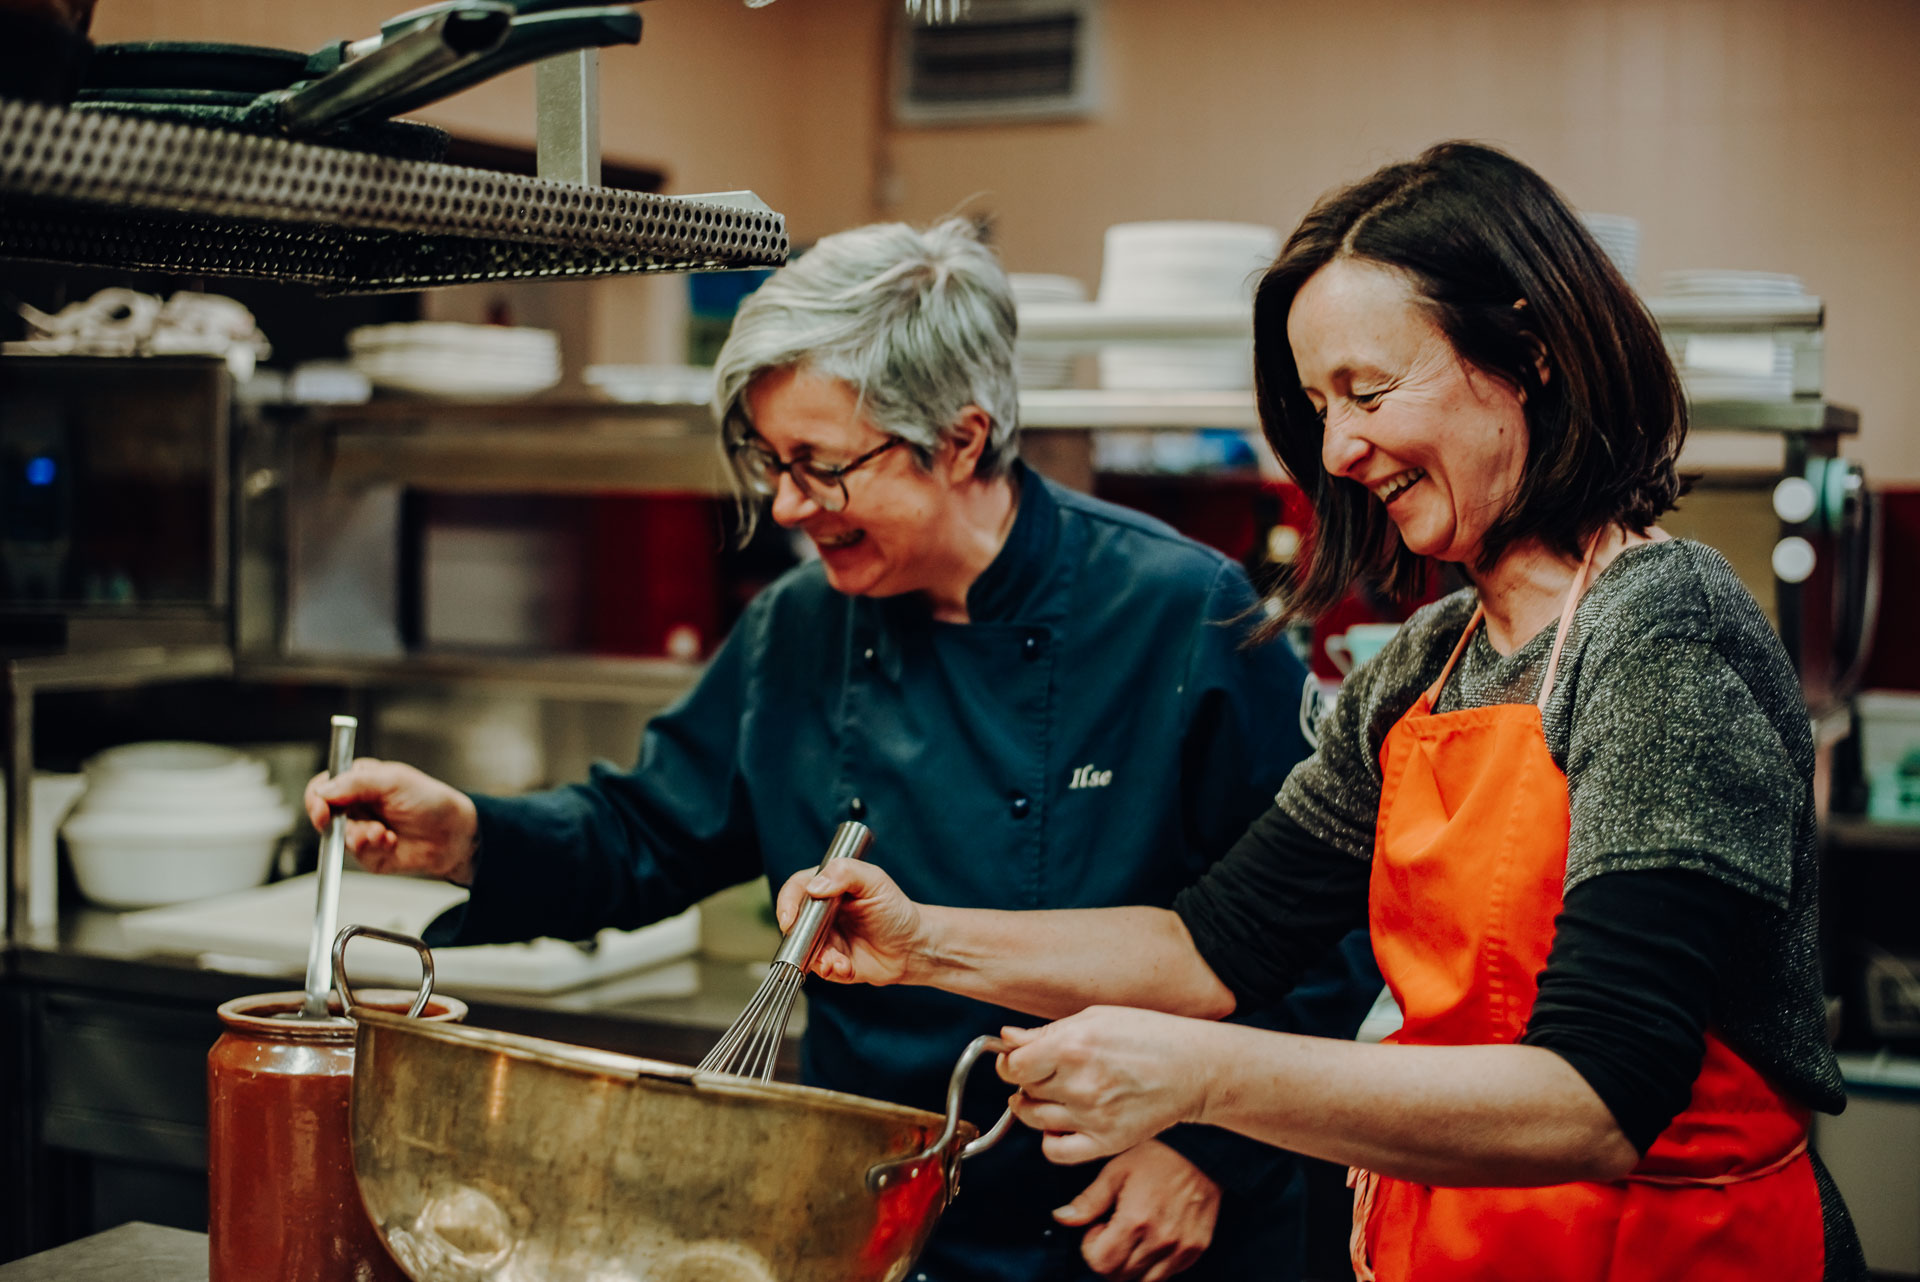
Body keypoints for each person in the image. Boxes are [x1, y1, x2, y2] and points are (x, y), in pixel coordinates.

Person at [776, 145, 1869, 1282]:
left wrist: (1201, 1076)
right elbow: (1213, 946)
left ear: (1531, 356)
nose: (1338, 450)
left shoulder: (1659, 630)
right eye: (1316, 406)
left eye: (1368, 391)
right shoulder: (1424, 666)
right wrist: (921, 943)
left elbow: (1596, 1095)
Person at [305, 218, 1383, 1282]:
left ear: (960, 440)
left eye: (822, 466)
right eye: (770, 462)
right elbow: (647, 831)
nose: (785, 505)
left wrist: (1207, 1147)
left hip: (1117, 1210)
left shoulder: (1179, 611)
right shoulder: (800, 624)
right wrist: (471, 835)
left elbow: (1317, 928)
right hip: (870, 1203)